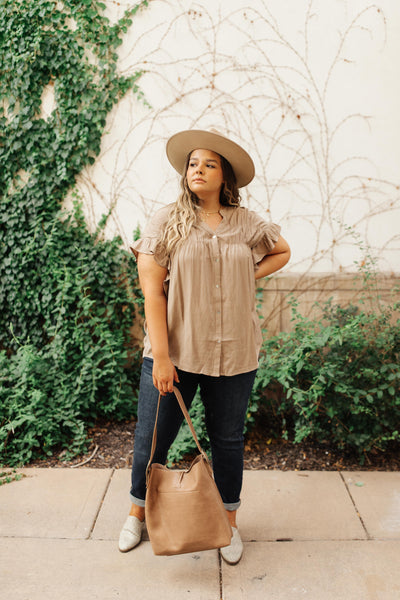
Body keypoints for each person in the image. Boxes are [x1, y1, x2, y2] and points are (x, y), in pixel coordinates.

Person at [119, 128, 290, 564]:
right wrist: (160, 356)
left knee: (227, 440)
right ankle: (138, 513)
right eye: (193, 163)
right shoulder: (166, 221)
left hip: (234, 352)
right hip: (174, 353)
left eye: (208, 164)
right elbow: (152, 292)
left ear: (224, 176)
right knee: (153, 438)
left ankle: (228, 524)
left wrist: (241, 278)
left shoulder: (247, 222)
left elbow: (282, 250)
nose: (198, 169)